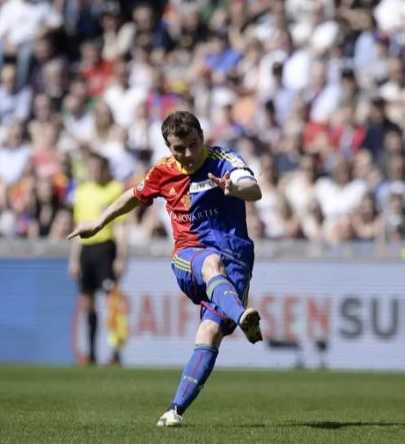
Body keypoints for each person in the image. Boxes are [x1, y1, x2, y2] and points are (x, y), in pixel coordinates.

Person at [68, 111, 263, 427]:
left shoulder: (225, 160)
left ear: (203, 137)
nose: (188, 154)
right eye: (179, 148)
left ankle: (174, 411)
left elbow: (253, 189)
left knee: (210, 332)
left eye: (193, 145)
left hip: (237, 262)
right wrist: (99, 221)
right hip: (190, 256)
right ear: (168, 147)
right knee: (210, 263)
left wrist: (234, 188)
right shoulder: (164, 171)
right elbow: (134, 195)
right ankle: (242, 315)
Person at [69, 152, 128, 366]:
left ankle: (115, 353)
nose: (94, 171)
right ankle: (91, 353)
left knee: (111, 300)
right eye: (91, 167)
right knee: (88, 302)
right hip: (86, 250)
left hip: (105, 248)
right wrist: (73, 260)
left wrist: (121, 257)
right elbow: (78, 228)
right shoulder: (82, 192)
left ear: (105, 168)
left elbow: (121, 226)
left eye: (98, 167)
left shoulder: (115, 189)